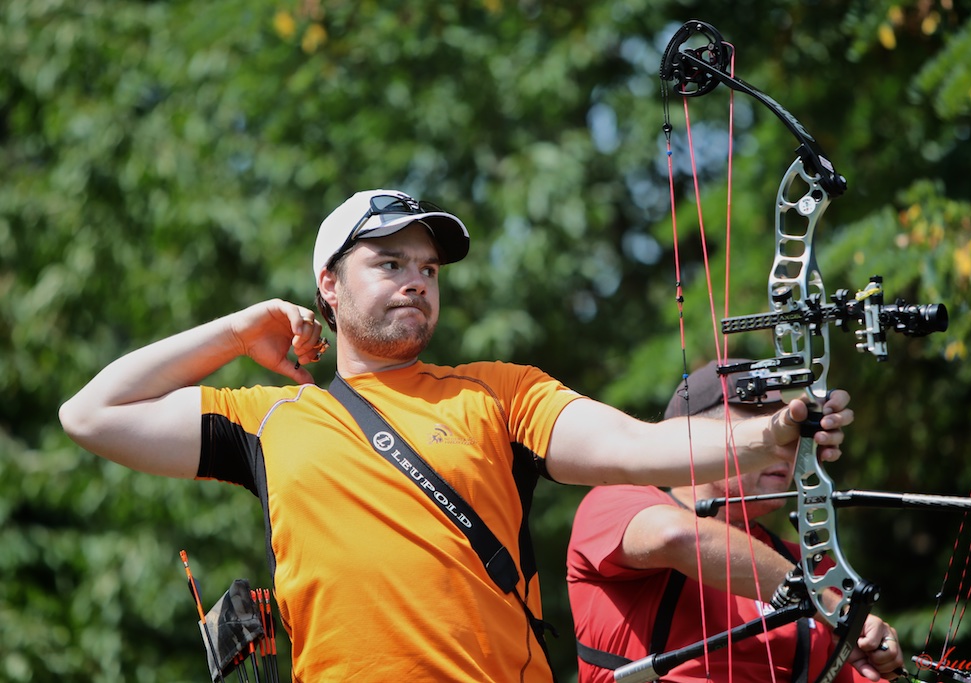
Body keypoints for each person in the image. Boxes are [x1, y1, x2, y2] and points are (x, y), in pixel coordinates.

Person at [59, 190, 855, 683]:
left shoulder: (498, 393)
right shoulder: (269, 417)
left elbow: (638, 446)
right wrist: (241, 329)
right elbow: (90, 414)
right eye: (390, 262)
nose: (416, 279)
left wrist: (759, 441)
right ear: (328, 286)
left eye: (430, 269)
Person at [566, 360, 905, 683]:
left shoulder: (814, 566)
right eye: (761, 423)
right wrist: (833, 607)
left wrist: (875, 647)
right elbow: (677, 537)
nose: (788, 441)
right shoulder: (616, 502)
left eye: (792, 427)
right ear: (697, 440)